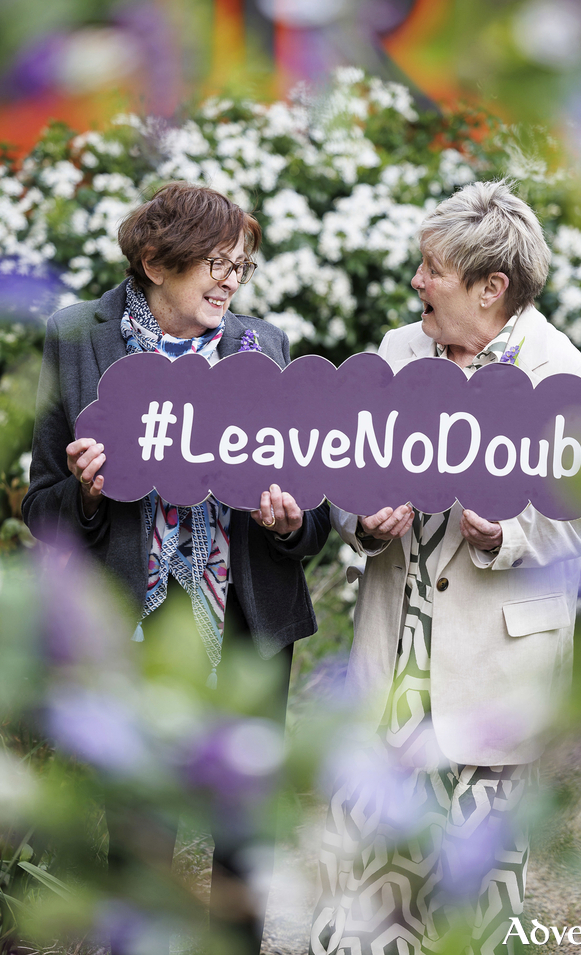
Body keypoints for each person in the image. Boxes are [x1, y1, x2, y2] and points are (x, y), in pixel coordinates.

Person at [309, 180, 581, 955]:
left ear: (490, 287)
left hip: (496, 676)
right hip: (391, 670)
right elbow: (341, 472)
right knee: (368, 894)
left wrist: (512, 534)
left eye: (433, 269)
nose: (417, 280)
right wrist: (362, 518)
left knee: (475, 905)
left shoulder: (566, 376)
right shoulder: (394, 355)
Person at [22, 181, 330, 953]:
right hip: (133, 632)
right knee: (141, 837)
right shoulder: (76, 338)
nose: (231, 281)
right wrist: (87, 494)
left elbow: (315, 510)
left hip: (248, 626)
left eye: (241, 266)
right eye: (216, 264)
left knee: (245, 837)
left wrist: (291, 521)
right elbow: (41, 507)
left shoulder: (264, 345)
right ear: (157, 262)